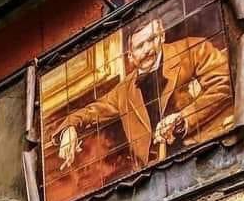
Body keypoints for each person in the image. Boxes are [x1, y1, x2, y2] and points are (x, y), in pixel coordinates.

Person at [54, 16, 234, 174]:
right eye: (140, 46)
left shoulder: (194, 49)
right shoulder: (123, 91)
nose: (148, 49)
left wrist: (183, 119)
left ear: (162, 35)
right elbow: (91, 112)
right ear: (130, 56)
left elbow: (225, 82)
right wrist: (69, 128)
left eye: (152, 39)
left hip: (209, 158)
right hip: (155, 178)